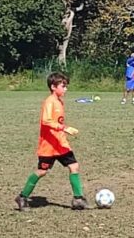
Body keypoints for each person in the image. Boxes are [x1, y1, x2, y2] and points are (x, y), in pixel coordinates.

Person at [14, 73, 88, 211]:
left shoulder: (59, 101)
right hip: (48, 146)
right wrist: (64, 128)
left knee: (74, 166)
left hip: (60, 144)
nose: (66, 89)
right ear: (53, 87)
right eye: (63, 86)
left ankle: (78, 199)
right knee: (42, 171)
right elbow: (46, 121)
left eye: (66, 86)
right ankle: (22, 197)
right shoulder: (49, 101)